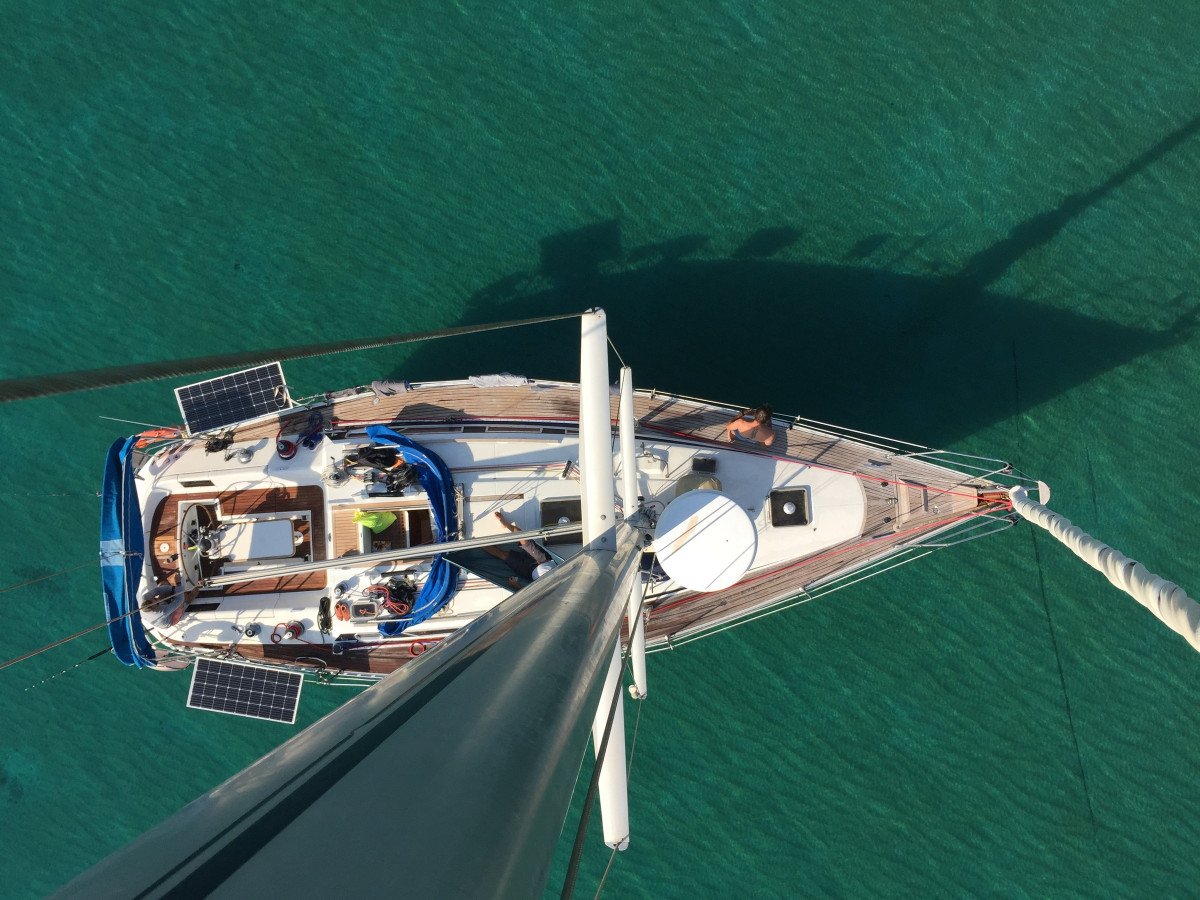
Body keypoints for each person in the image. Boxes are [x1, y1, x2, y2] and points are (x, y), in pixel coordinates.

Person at [484, 510, 557, 589]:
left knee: (503, 555)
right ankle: (505, 523)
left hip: (528, 571)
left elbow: (530, 594)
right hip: (543, 559)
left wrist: (516, 585)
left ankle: (479, 543)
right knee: (522, 537)